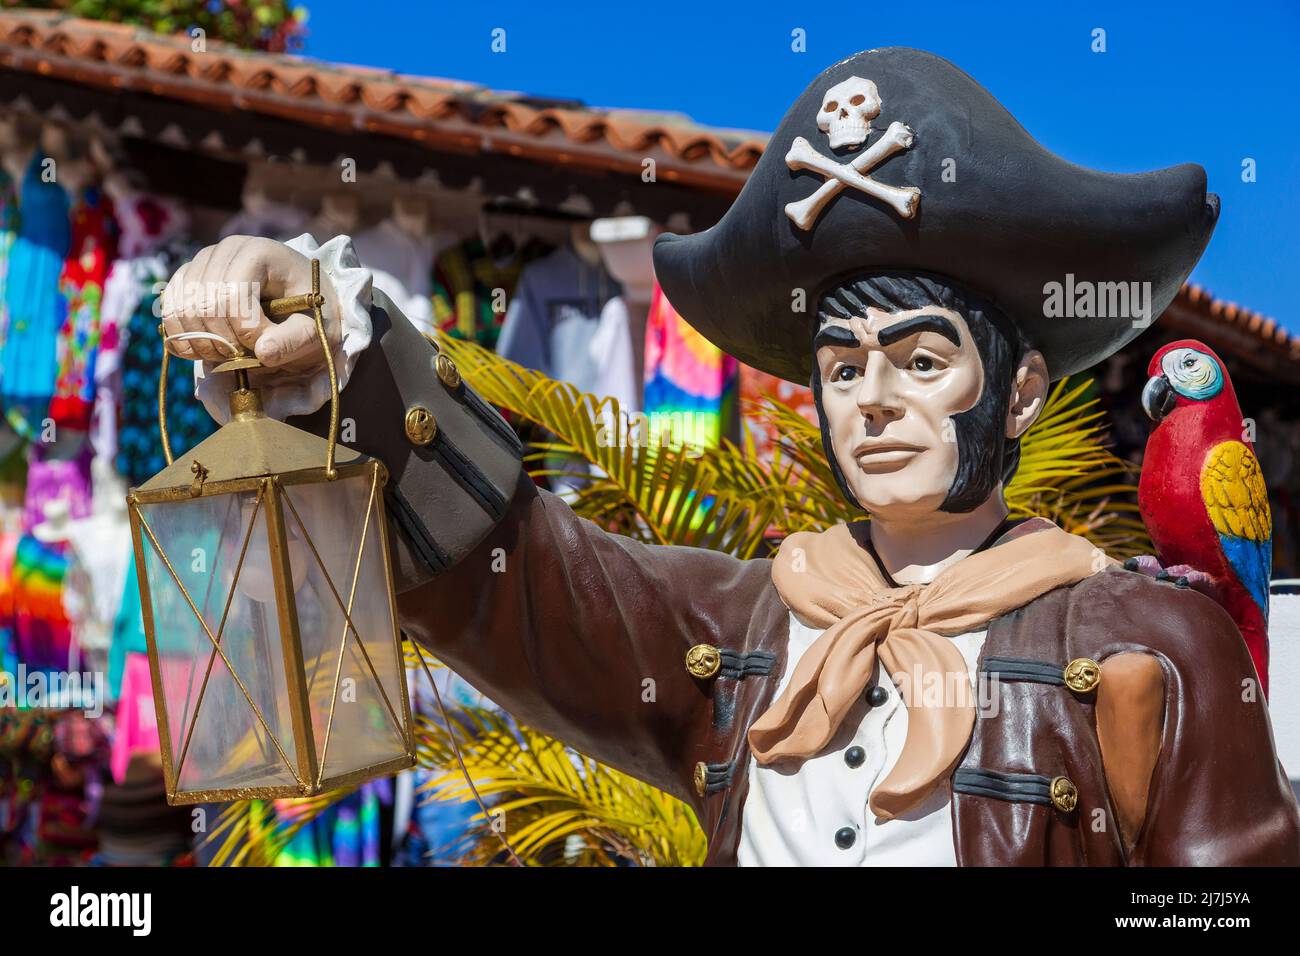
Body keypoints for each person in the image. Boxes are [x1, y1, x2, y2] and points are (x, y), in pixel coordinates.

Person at [158, 48, 1300, 866]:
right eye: (844, 368)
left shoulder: (1151, 640)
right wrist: (329, 346)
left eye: (920, 359)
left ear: (1020, 394)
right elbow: (521, 565)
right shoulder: (739, 627)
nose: (876, 402)